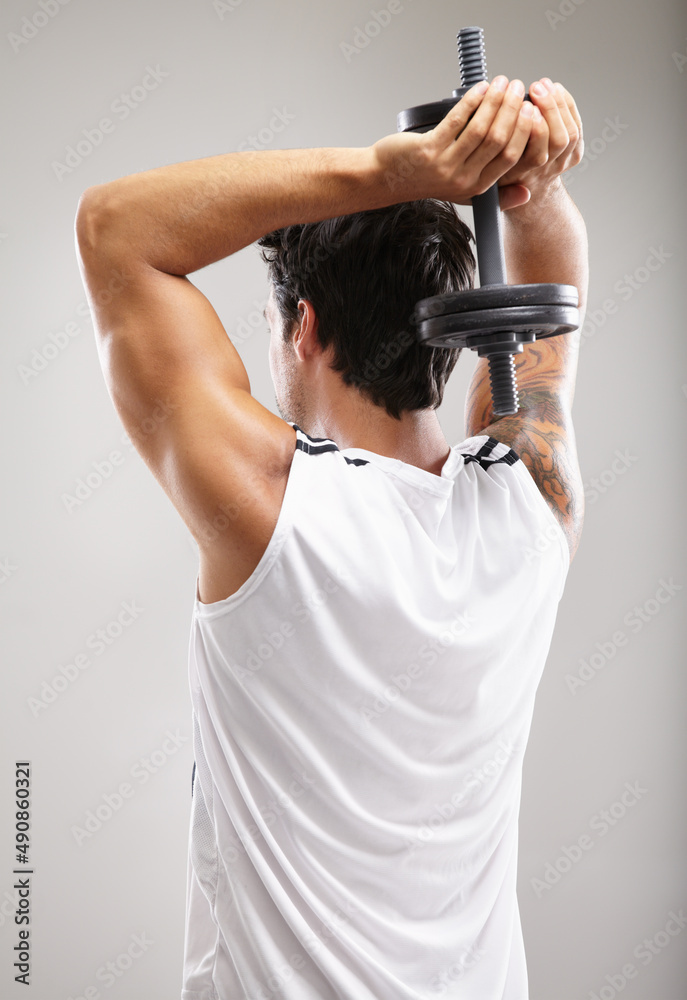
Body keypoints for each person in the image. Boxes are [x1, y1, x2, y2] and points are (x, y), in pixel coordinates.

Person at [75, 72, 587, 1000]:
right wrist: (535, 183)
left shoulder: (271, 506)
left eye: (270, 324)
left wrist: (387, 171)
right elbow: (554, 299)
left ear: (302, 326)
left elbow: (115, 228)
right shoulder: (533, 508)